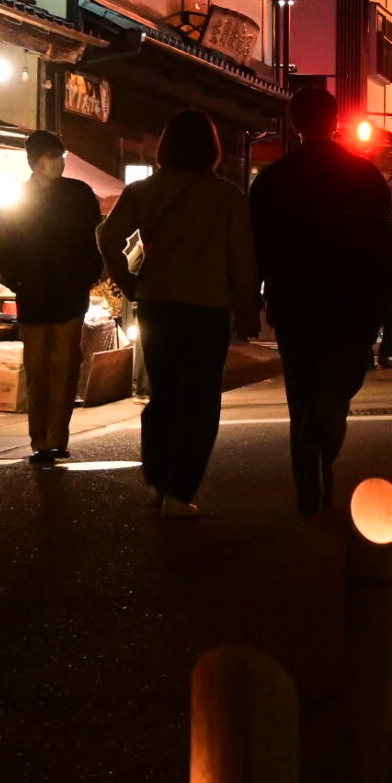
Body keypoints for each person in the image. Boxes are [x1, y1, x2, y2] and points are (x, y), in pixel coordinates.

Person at [97, 110, 258, 517]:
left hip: (158, 305)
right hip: (208, 308)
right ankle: (179, 490)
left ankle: (157, 477)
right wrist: (247, 306)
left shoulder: (144, 191)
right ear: (211, 148)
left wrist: (130, 282)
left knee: (164, 394)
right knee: (200, 399)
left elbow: (108, 236)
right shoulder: (226, 196)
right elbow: (241, 257)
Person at [250, 87, 392, 516]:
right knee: (339, 386)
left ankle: (308, 472)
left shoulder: (273, 180)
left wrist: (249, 298)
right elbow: (383, 246)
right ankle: (321, 443)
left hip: (293, 298)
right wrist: (385, 302)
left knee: (301, 389)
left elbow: (256, 246)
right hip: (352, 300)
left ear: (294, 123)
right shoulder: (364, 176)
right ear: (335, 122)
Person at [0, 130, 105, 464]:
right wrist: (18, 282)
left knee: (66, 365)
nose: (59, 163)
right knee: (37, 368)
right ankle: (39, 440)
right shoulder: (18, 198)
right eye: (53, 156)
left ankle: (57, 438)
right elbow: (5, 246)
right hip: (35, 295)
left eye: (61, 156)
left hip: (69, 293)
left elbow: (94, 239)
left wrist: (87, 276)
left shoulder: (79, 194)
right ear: (36, 162)